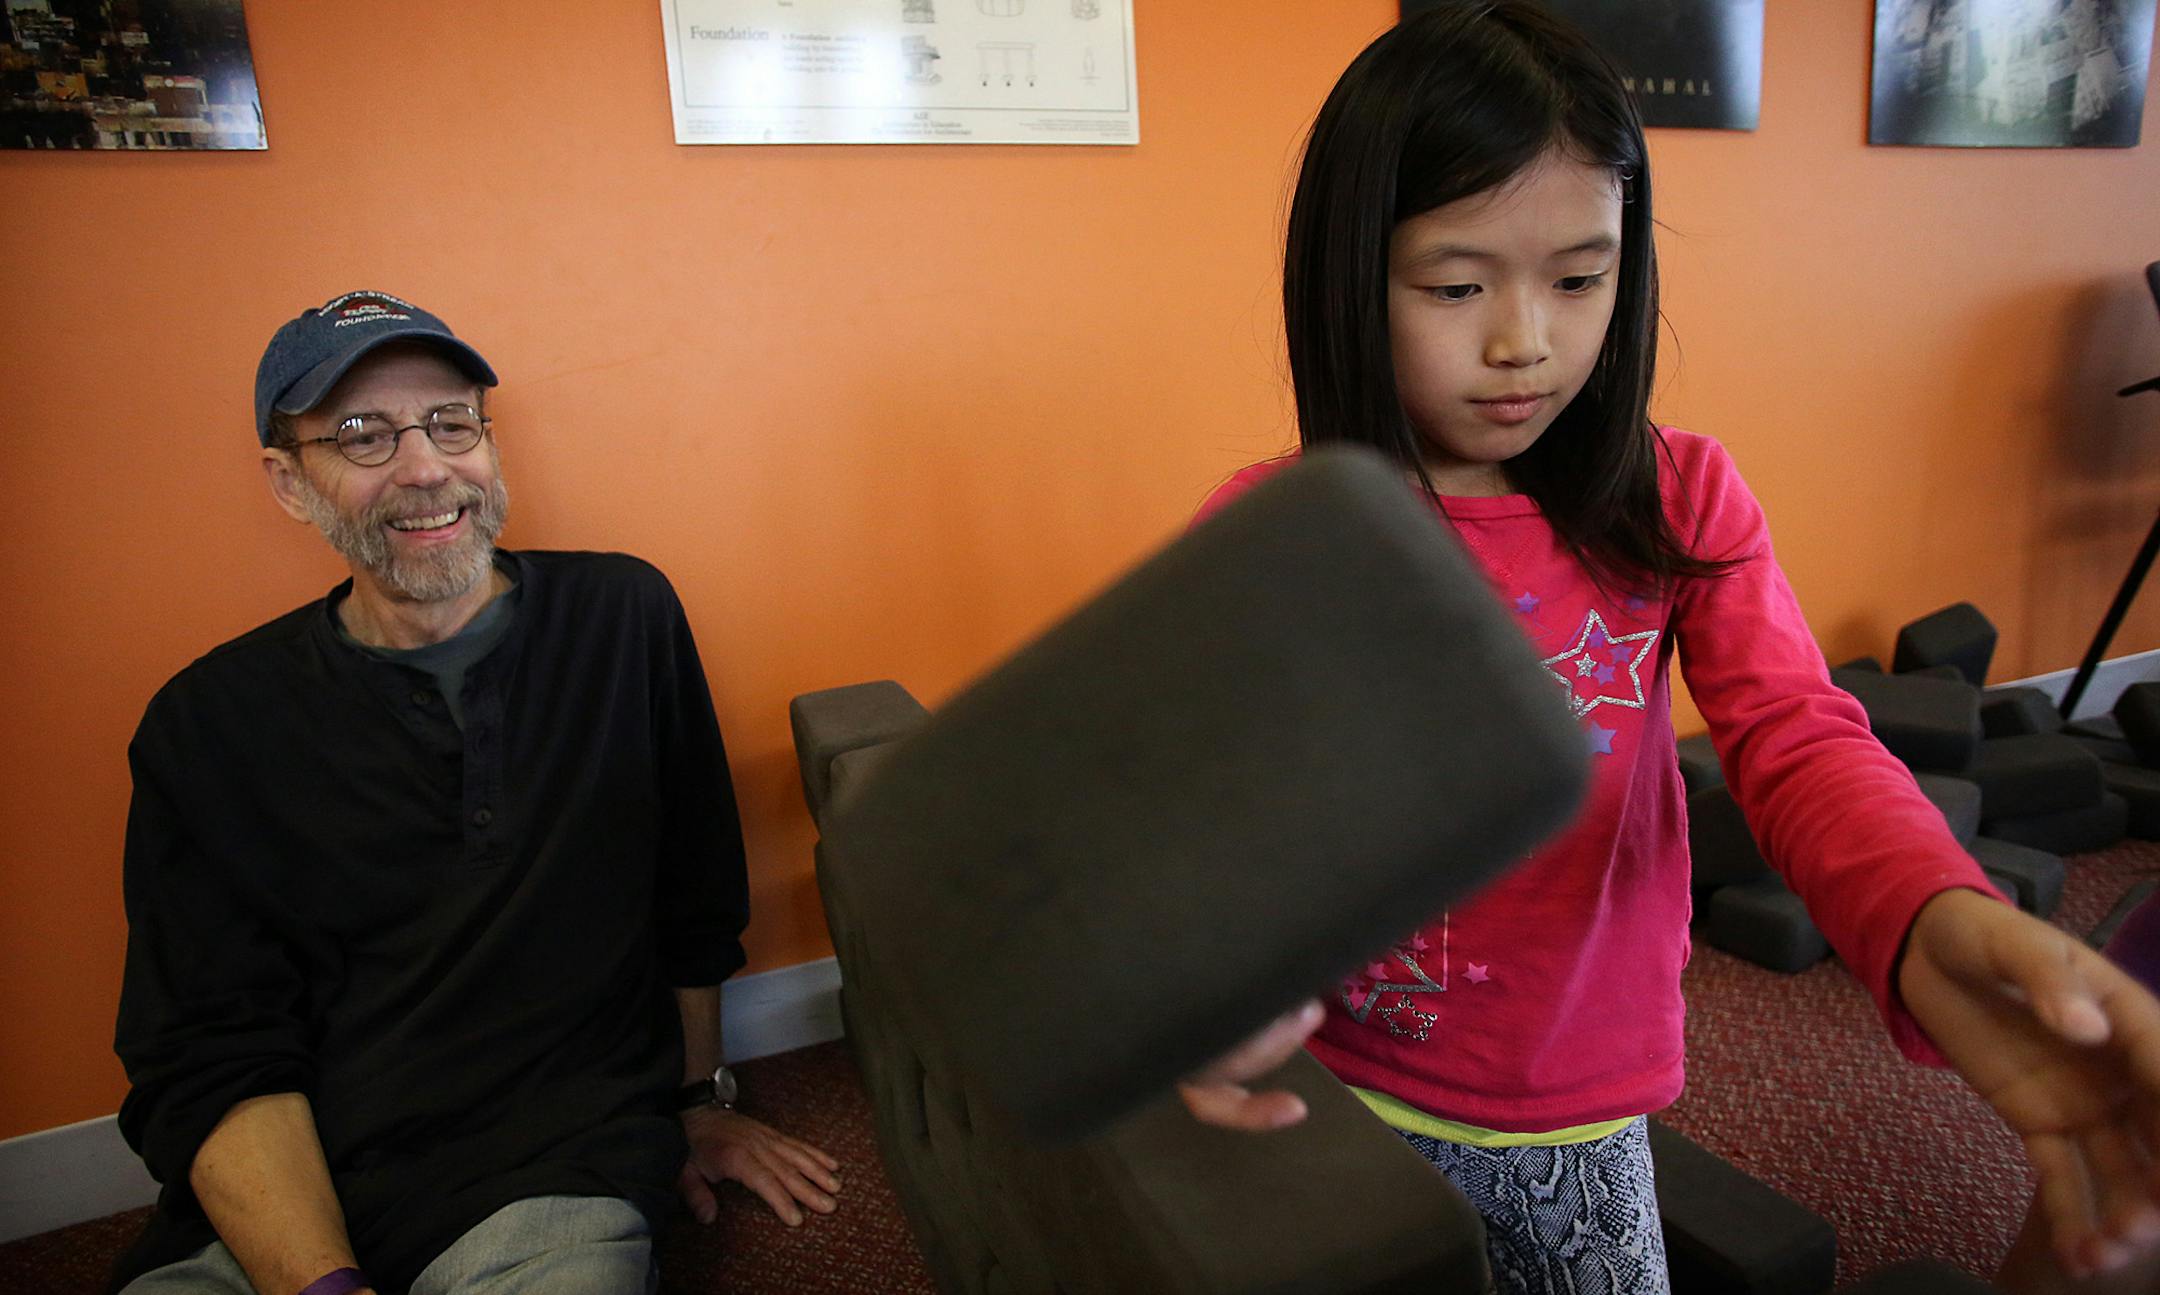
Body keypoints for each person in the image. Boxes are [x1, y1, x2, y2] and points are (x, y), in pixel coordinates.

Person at [1186, 6, 2160, 1292]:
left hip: (1573, 1103)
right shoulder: (1277, 533)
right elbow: (1201, 808)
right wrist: (1196, 989)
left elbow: (1797, 735)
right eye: (1457, 286)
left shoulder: (1680, 501)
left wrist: (1929, 910)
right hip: (1338, 1089)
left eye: (1578, 278)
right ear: (1349, 277)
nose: (1525, 340)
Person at [110, 291, 840, 1295]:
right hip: (279, 1197)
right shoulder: (207, 723)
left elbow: (693, 896)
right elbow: (210, 1044)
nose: (425, 467)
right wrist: (320, 1281)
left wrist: (696, 1100)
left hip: (553, 1169)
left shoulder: (621, 617)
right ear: (289, 481)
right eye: (363, 435)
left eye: (451, 422)